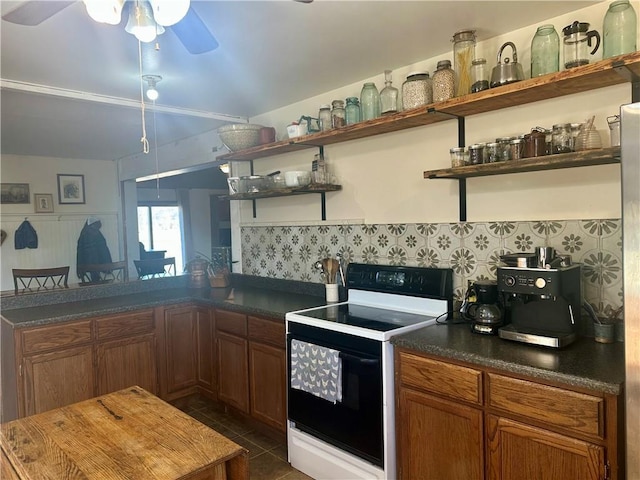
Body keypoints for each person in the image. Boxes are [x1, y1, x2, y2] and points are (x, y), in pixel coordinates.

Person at [76, 217, 112, 282]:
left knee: (95, 280)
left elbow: (80, 253)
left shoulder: (84, 234)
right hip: (95, 264)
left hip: (88, 264)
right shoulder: (96, 234)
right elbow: (104, 250)